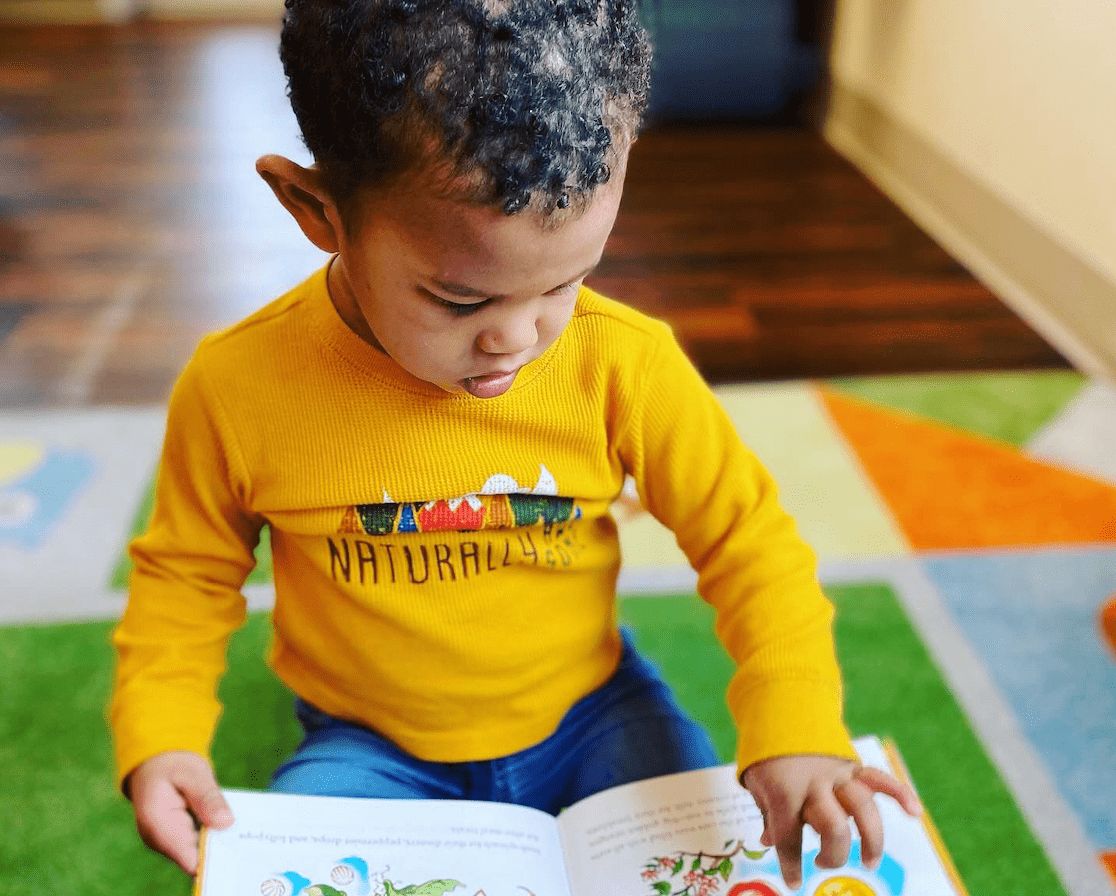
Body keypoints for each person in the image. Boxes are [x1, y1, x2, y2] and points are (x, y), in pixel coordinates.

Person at [109, 0, 921, 889]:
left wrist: (797, 721)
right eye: (460, 301)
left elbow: (749, 541)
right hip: (369, 746)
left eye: (568, 282)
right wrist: (160, 735)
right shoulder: (236, 386)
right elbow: (185, 576)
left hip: (595, 715)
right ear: (317, 210)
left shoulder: (624, 364)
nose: (519, 339)